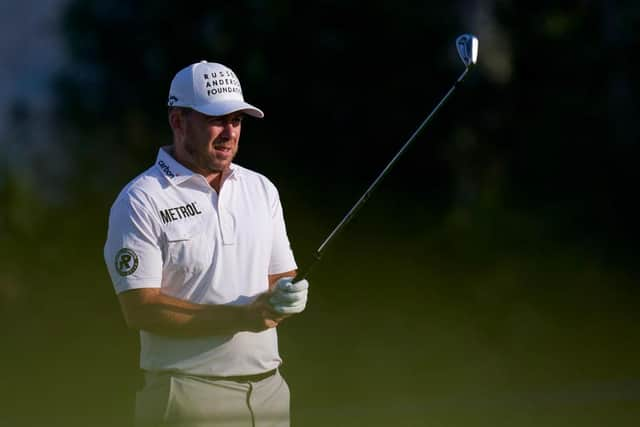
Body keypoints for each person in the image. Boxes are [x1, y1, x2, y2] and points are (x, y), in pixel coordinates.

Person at [103, 60, 309, 427]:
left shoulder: (261, 189)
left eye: (237, 120)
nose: (229, 132)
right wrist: (242, 317)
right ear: (178, 121)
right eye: (216, 119)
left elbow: (280, 275)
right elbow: (141, 308)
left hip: (271, 393)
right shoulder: (141, 199)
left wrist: (287, 296)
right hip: (187, 394)